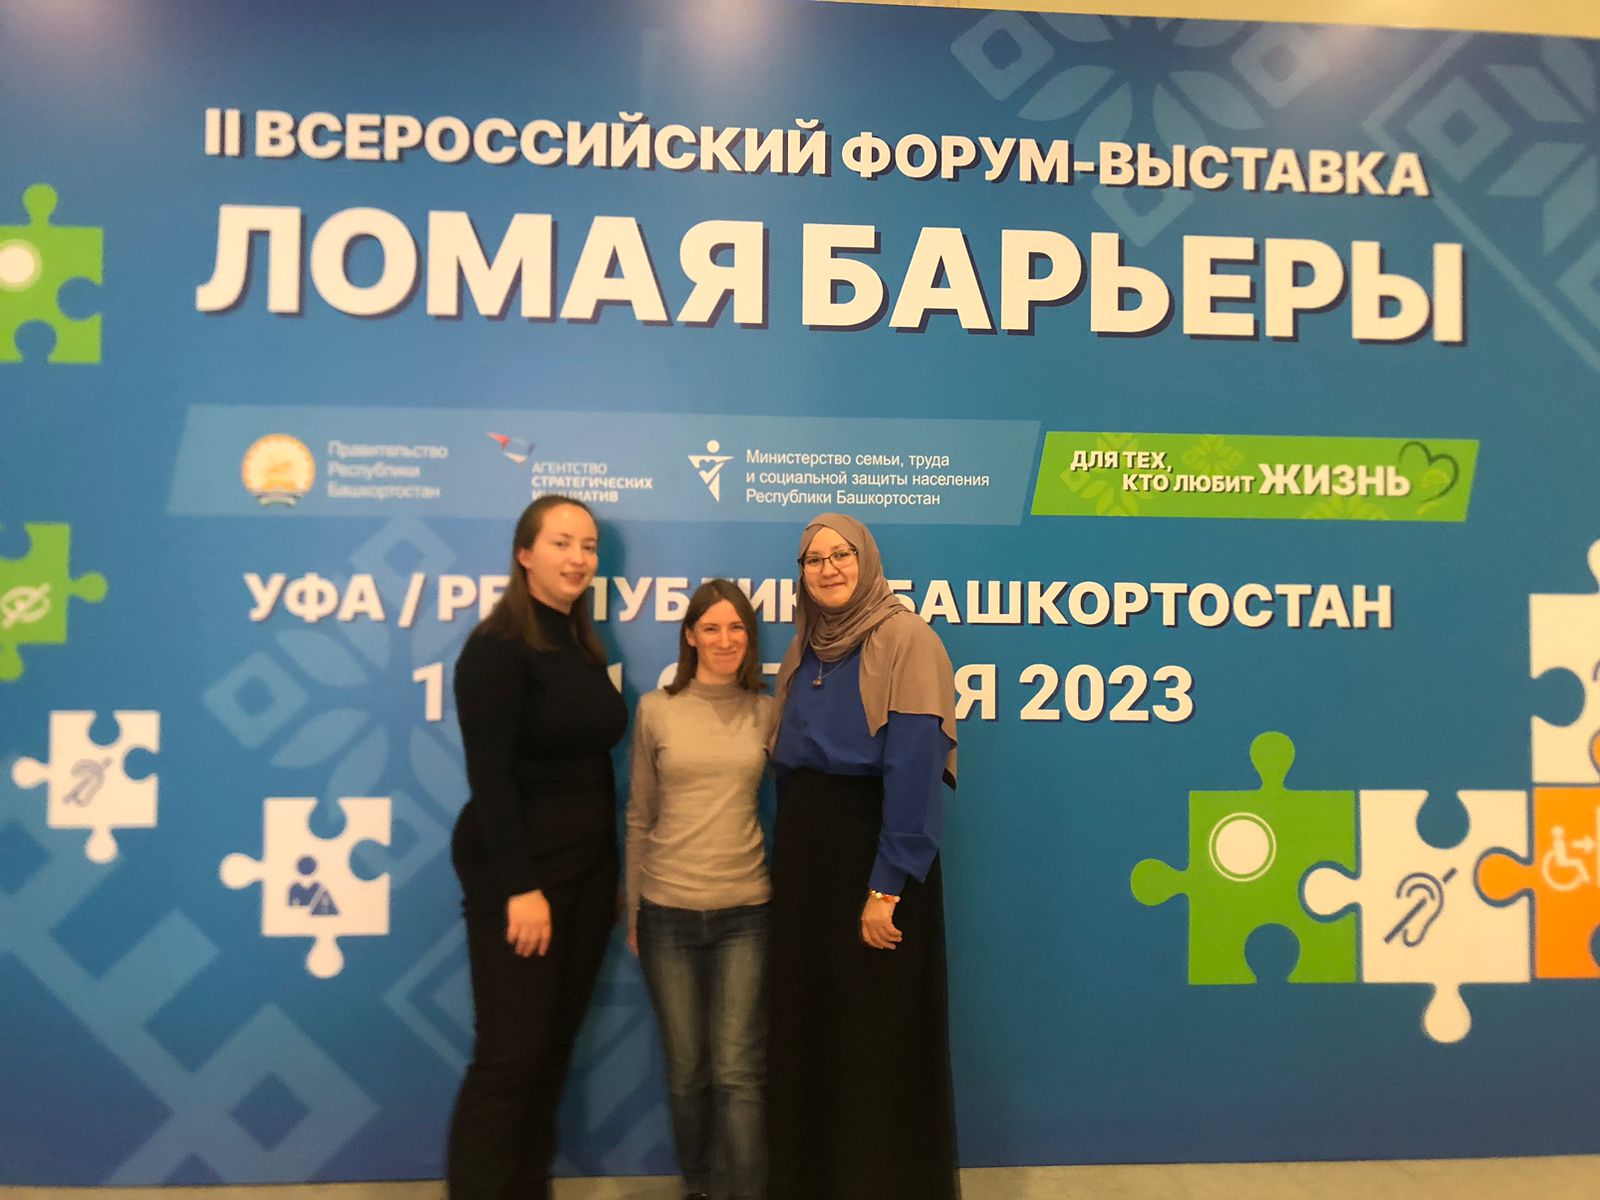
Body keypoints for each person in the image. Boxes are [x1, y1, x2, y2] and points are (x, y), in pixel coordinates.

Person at [766, 513, 960, 1200]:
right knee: (815, 1027)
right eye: (813, 559)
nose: (828, 568)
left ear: (867, 559)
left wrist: (886, 888)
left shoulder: (908, 640)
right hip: (807, 866)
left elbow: (915, 771)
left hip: (875, 862)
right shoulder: (805, 648)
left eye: (841, 553)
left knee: (875, 1034)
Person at [445, 495, 628, 1200]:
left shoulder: (580, 645)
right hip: (520, 882)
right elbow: (489, 778)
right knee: (511, 1059)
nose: (579, 558)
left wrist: (609, 874)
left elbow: (588, 772)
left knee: (550, 1055)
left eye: (589, 546)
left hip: (586, 880)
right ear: (525, 554)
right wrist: (521, 888)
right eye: (562, 543)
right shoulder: (496, 648)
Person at [626, 579, 775, 1200]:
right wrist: (632, 910)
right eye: (711, 628)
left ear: (749, 637)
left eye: (736, 627)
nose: (724, 639)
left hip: (747, 911)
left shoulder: (768, 711)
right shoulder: (656, 709)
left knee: (738, 1071)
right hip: (667, 913)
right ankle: (701, 1187)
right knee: (688, 1073)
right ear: (690, 636)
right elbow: (639, 815)